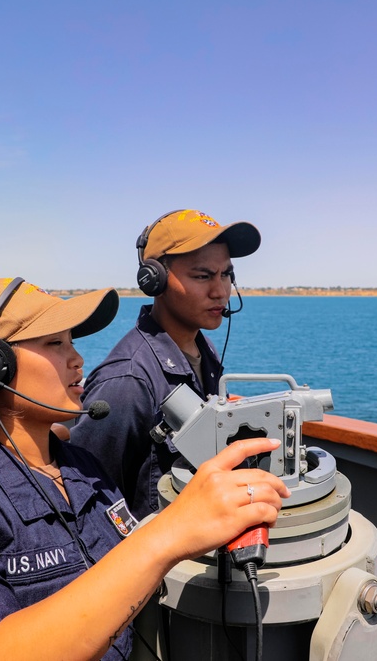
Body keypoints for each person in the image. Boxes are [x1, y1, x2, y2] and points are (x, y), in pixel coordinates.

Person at [0, 276, 287, 661]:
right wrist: (169, 533)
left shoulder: (81, 468)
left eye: (72, 342)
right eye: (54, 343)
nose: (77, 359)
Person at [69, 209, 261, 521]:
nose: (220, 291)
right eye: (202, 276)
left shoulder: (203, 350)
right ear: (154, 280)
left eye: (226, 274)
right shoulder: (127, 381)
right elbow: (87, 504)